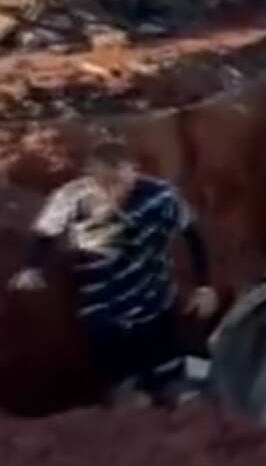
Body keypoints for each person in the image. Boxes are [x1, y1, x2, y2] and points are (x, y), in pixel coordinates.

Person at [7, 141, 218, 407]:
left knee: (181, 386)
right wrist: (31, 268)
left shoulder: (161, 197)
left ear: (133, 171)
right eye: (104, 184)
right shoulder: (72, 199)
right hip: (104, 314)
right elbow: (43, 235)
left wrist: (204, 286)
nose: (113, 192)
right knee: (131, 400)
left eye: (119, 182)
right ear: (90, 177)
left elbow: (193, 236)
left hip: (154, 304)